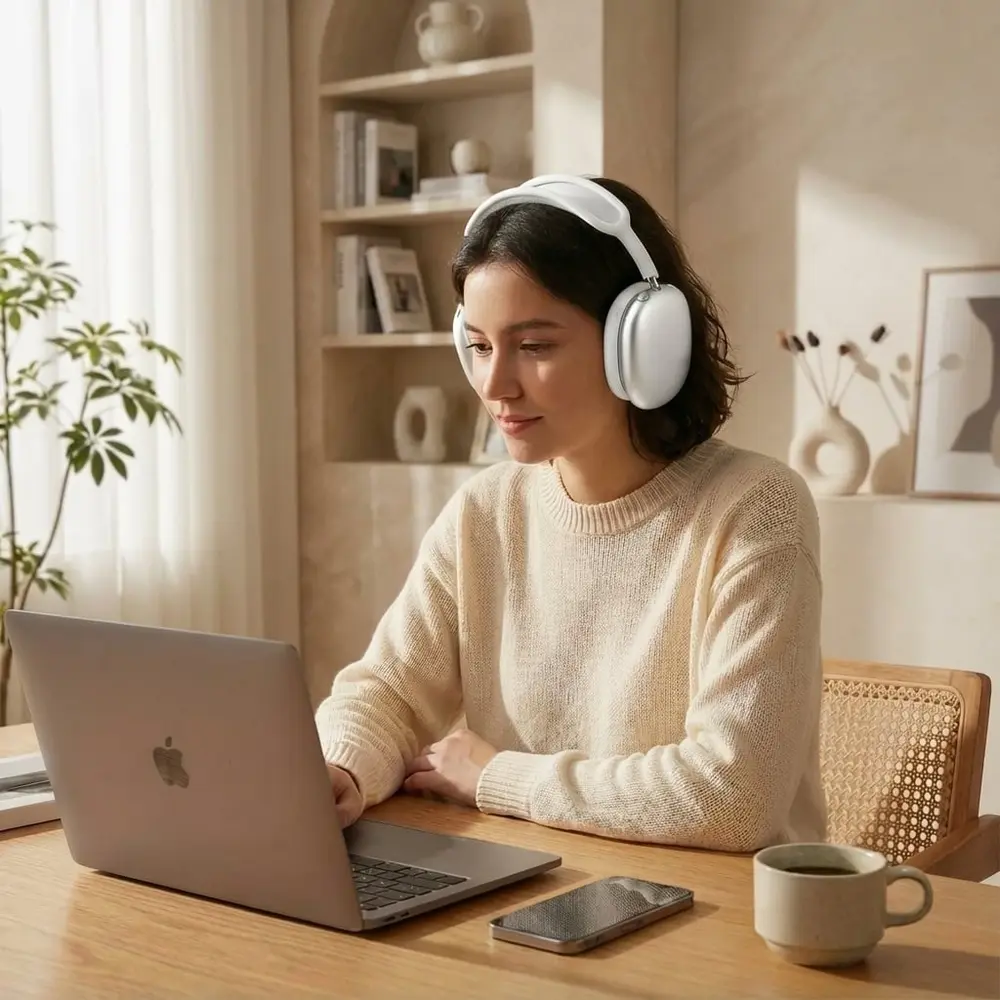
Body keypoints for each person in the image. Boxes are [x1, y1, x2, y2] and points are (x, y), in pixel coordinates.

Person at [315, 175, 827, 852]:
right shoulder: (485, 513)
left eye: (534, 346)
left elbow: (732, 797)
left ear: (643, 343)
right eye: (478, 346)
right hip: (531, 886)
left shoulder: (755, 510)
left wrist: (498, 777)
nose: (495, 386)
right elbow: (388, 693)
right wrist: (344, 767)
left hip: (718, 920)